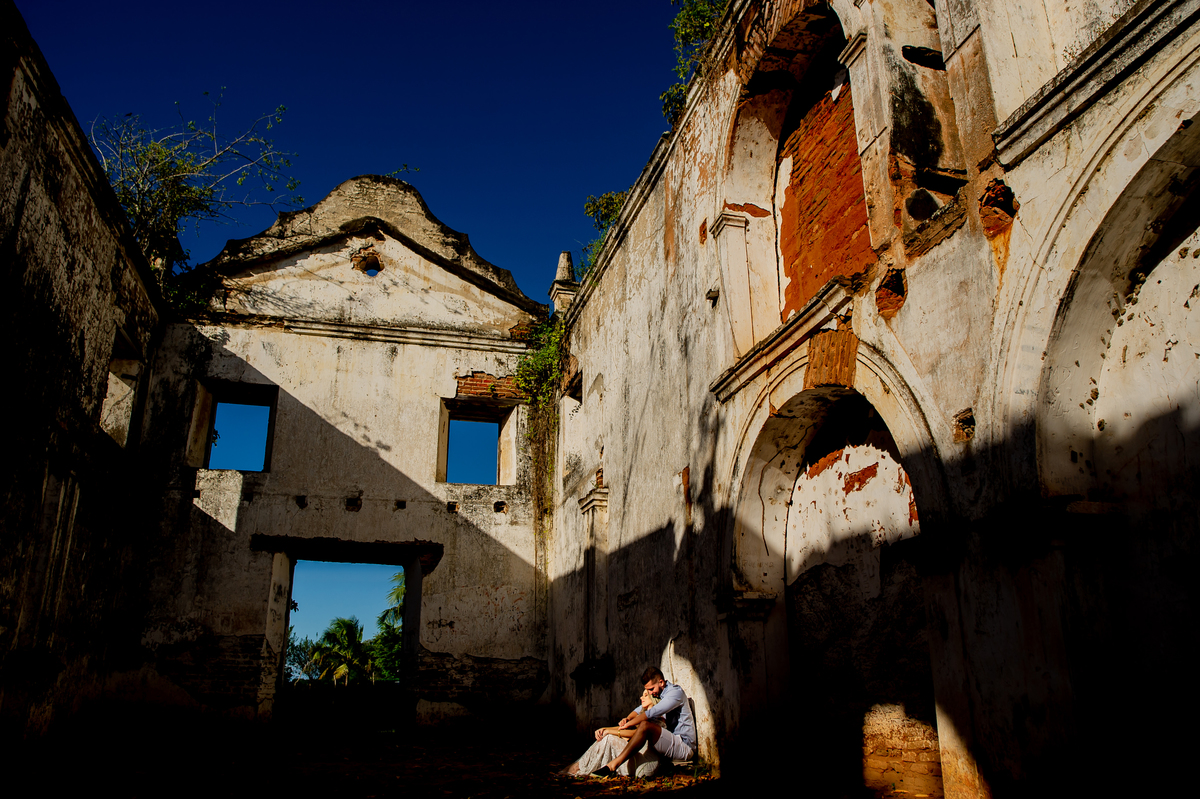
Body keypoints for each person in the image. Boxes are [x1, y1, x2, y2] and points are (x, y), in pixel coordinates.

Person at [591, 666, 695, 777]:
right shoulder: (659, 694)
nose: (650, 693)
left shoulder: (675, 693)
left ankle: (613, 765)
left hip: (684, 746)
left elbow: (653, 712)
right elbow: (638, 710)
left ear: (661, 682)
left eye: (651, 689)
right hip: (670, 743)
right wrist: (628, 719)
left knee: (645, 725)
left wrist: (630, 723)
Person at [565, 689, 664, 778]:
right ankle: (579, 765)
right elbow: (625, 729)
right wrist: (605, 729)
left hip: (647, 765)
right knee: (607, 737)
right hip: (637, 758)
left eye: (646, 695)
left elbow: (636, 733)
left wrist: (608, 731)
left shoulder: (657, 717)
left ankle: (578, 767)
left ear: (653, 697)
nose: (641, 697)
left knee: (609, 738)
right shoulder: (642, 715)